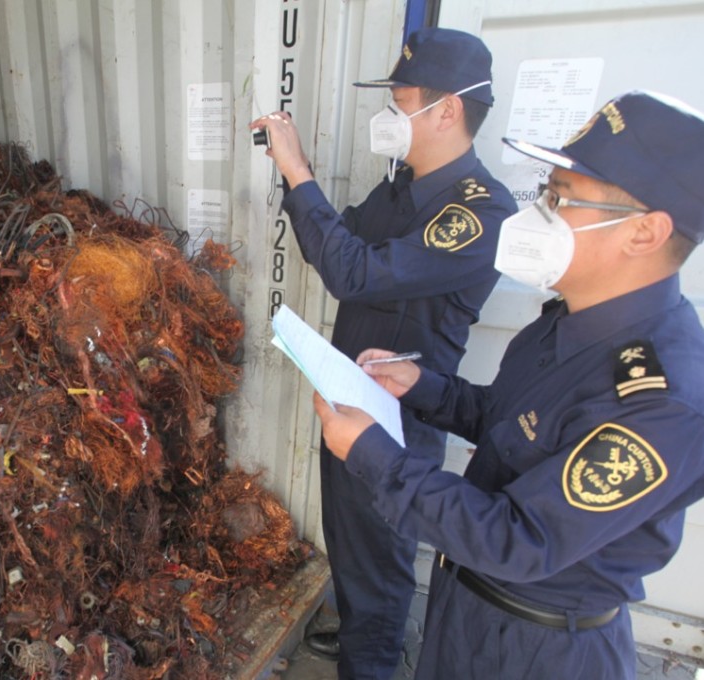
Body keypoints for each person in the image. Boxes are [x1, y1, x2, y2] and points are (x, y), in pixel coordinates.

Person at [313, 90, 704, 679]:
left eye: (561, 199)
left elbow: (517, 538)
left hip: (537, 650)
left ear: (644, 233)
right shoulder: (568, 321)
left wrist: (371, 453)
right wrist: (423, 387)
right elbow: (508, 424)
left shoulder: (662, 400)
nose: (539, 213)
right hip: (467, 612)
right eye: (546, 192)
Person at [249, 28, 516, 678]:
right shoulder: (399, 189)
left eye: (402, 101)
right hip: (349, 400)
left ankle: (369, 663)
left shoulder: (480, 211)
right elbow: (337, 244)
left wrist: (299, 171)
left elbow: (354, 274)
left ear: (447, 111)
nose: (389, 114)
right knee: (351, 552)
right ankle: (360, 644)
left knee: (380, 574)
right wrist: (298, 184)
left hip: (398, 422)